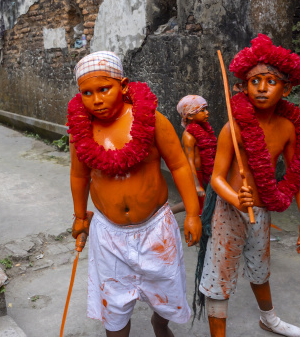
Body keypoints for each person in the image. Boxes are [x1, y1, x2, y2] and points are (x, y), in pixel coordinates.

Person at [67, 51, 202, 337]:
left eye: (104, 89)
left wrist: (192, 213)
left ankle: (160, 323)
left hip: (155, 229)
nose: (97, 99)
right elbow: (79, 175)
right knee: (113, 306)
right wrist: (80, 216)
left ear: (124, 85)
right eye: (87, 93)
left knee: (166, 292)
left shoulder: (151, 120)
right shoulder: (81, 132)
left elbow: (178, 165)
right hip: (109, 234)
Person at [198, 34, 300, 337]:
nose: (262, 88)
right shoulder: (233, 127)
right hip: (228, 210)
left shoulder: (287, 128)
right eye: (255, 81)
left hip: (261, 210)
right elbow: (216, 178)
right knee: (219, 275)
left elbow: (295, 173)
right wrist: (236, 199)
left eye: (271, 81)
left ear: (286, 89)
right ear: (242, 86)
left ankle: (269, 319)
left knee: (259, 268)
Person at [171, 95, 217, 215]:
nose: (207, 113)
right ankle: (169, 213)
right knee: (197, 205)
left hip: (205, 173)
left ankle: (168, 213)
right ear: (190, 115)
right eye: (202, 110)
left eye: (206, 109)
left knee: (197, 202)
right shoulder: (188, 136)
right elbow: (189, 161)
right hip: (195, 175)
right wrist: (197, 185)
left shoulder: (204, 130)